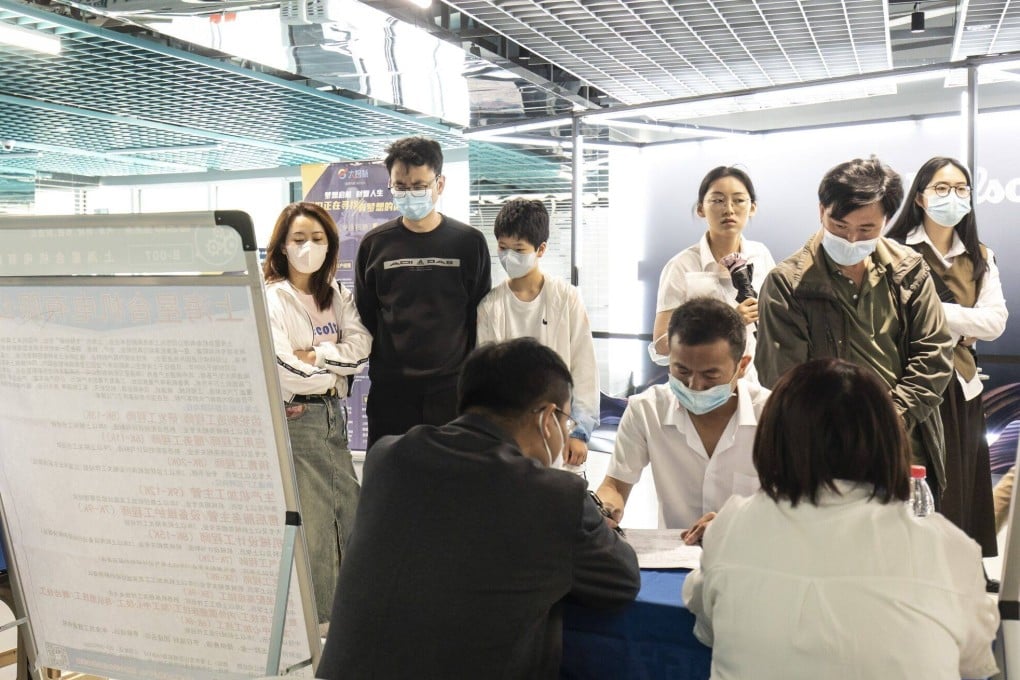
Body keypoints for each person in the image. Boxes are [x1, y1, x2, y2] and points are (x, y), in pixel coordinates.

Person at [316, 339, 640, 679]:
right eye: (566, 422)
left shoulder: (388, 458)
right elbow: (621, 580)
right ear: (548, 418)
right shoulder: (554, 495)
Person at [682, 358, 999, 680]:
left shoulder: (733, 526)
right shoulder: (949, 548)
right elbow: (974, 664)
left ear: (773, 439)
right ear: (889, 440)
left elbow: (707, 625)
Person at [755, 156, 954, 494]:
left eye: (866, 230)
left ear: (886, 221)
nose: (850, 239)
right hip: (822, 457)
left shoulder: (909, 271)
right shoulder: (788, 284)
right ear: (822, 211)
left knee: (902, 543)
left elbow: (934, 354)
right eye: (839, 226)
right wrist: (846, 432)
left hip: (903, 449)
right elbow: (784, 377)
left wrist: (890, 417)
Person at [886, 156, 1007, 557]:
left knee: (961, 487)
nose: (951, 197)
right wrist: (962, 326)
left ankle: (960, 571)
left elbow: (995, 321)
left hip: (962, 390)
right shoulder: (894, 252)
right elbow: (894, 322)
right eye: (940, 188)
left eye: (960, 189)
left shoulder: (980, 256)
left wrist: (934, 313)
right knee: (915, 486)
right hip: (912, 385)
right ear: (919, 197)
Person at [263, 202, 372, 624]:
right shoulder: (274, 297)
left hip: (333, 415)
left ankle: (342, 619)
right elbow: (282, 368)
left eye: (317, 239)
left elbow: (360, 353)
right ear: (282, 247)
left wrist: (319, 355)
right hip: (298, 417)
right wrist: (330, 366)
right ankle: (320, 626)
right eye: (298, 239)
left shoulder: (337, 295)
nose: (308, 247)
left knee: (347, 514)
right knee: (316, 527)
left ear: (330, 245)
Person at [354, 136, 492, 448]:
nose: (409, 193)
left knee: (451, 485)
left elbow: (478, 316)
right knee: (393, 482)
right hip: (392, 393)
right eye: (400, 186)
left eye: (419, 185)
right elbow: (366, 316)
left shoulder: (468, 243)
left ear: (439, 184)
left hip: (451, 393)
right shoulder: (375, 245)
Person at [596, 297, 769, 541]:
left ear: (742, 366)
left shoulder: (772, 415)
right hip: (674, 558)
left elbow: (799, 504)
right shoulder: (646, 410)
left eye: (710, 375)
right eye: (682, 371)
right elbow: (615, 485)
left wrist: (735, 524)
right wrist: (604, 506)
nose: (694, 386)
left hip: (752, 554)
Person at [477, 198, 598, 469]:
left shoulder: (566, 298)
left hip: (561, 431)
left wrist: (580, 432)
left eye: (519, 249)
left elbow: (584, 367)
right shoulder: (490, 306)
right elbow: (487, 381)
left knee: (559, 502)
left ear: (540, 249)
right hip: (508, 436)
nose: (508, 256)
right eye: (502, 247)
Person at [652, 166, 775, 383]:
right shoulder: (682, 266)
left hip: (756, 384)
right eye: (717, 200)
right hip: (701, 384)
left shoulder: (761, 255)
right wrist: (729, 322)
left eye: (738, 200)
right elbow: (661, 346)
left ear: (752, 207)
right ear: (700, 209)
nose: (729, 209)